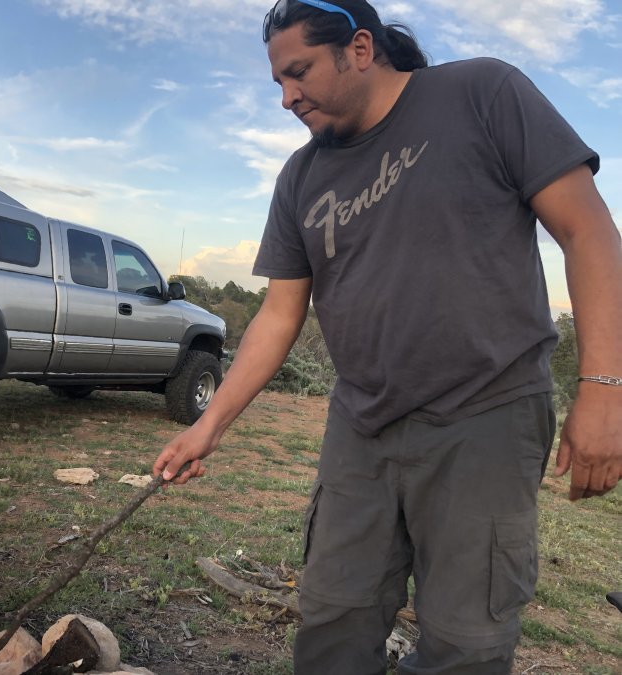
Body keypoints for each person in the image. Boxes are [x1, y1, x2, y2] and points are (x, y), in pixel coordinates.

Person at [153, 0, 622, 672]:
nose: (287, 97)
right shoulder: (302, 177)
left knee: (466, 643)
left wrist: (605, 388)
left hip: (484, 416)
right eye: (278, 83)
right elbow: (280, 315)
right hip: (361, 424)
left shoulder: (484, 93)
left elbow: (589, 230)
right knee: (332, 622)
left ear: (361, 48)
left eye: (299, 72)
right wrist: (209, 426)